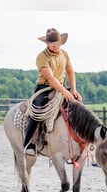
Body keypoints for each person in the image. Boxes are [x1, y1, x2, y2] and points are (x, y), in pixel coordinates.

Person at [24, 28, 82, 156]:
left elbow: (70, 71)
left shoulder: (64, 54)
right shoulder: (42, 57)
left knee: (78, 104)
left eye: (58, 45)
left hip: (62, 86)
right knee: (37, 110)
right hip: (44, 88)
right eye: (53, 45)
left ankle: (80, 138)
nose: (56, 47)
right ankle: (29, 143)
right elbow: (50, 78)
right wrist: (64, 91)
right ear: (47, 44)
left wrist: (73, 89)